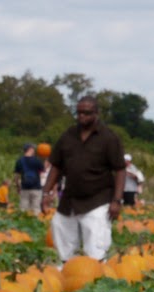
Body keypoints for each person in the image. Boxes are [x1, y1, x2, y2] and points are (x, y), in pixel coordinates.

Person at [41, 95, 126, 262]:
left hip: (98, 198)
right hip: (70, 198)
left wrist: (117, 200)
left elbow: (120, 170)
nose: (82, 116)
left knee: (95, 241)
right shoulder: (68, 136)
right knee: (60, 229)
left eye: (86, 113)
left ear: (96, 113)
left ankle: (96, 273)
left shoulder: (108, 138)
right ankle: (68, 269)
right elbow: (56, 166)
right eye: (79, 113)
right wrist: (45, 193)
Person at [13, 143, 46, 214]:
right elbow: (43, 176)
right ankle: (37, 223)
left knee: (24, 209)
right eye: (33, 149)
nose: (34, 150)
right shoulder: (37, 161)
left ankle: (24, 223)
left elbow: (16, 176)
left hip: (24, 188)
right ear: (30, 149)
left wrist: (18, 187)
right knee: (36, 208)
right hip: (36, 188)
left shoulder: (19, 161)